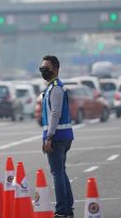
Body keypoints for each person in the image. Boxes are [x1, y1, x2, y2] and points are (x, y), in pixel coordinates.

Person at [39, 55, 74, 218]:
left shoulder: (56, 89)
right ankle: (67, 208)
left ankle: (62, 210)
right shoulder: (51, 88)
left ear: (56, 69)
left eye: (47, 68)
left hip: (57, 137)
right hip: (61, 136)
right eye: (42, 68)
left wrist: (49, 136)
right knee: (61, 172)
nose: (44, 71)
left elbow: (55, 113)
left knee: (57, 173)